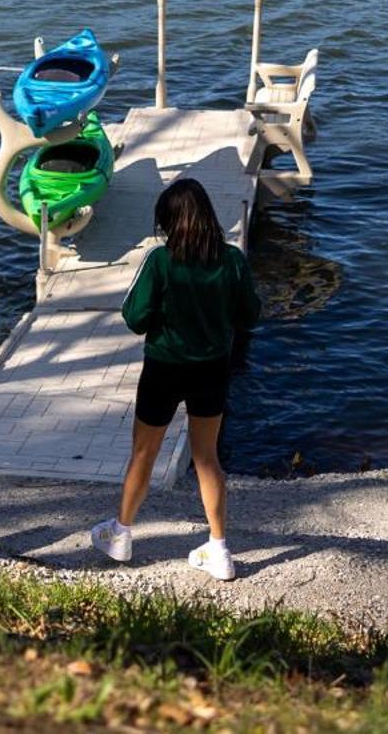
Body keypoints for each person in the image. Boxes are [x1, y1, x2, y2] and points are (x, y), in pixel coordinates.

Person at [90, 177, 261, 581]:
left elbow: (134, 317)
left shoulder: (161, 261)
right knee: (207, 458)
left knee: (144, 453)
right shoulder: (233, 260)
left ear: (171, 223)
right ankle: (218, 549)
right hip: (212, 369)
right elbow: (250, 314)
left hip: (164, 368)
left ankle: (121, 534)